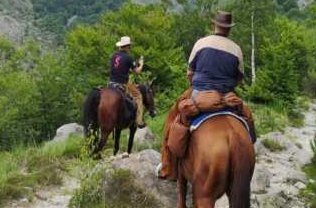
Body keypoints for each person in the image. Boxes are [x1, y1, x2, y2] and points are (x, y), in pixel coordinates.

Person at [157, 11, 255, 180]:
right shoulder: (236, 49)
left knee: (174, 116)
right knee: (247, 117)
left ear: (214, 26)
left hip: (199, 93)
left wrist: (195, 86)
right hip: (226, 97)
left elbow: (190, 72)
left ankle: (168, 165)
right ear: (229, 29)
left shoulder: (201, 43)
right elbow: (239, 78)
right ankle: (251, 147)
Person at [109, 36, 146, 127]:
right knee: (139, 96)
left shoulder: (114, 55)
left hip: (111, 83)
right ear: (127, 46)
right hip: (123, 84)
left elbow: (118, 68)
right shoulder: (128, 57)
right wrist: (141, 64)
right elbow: (137, 71)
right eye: (129, 46)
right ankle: (139, 120)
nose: (130, 47)